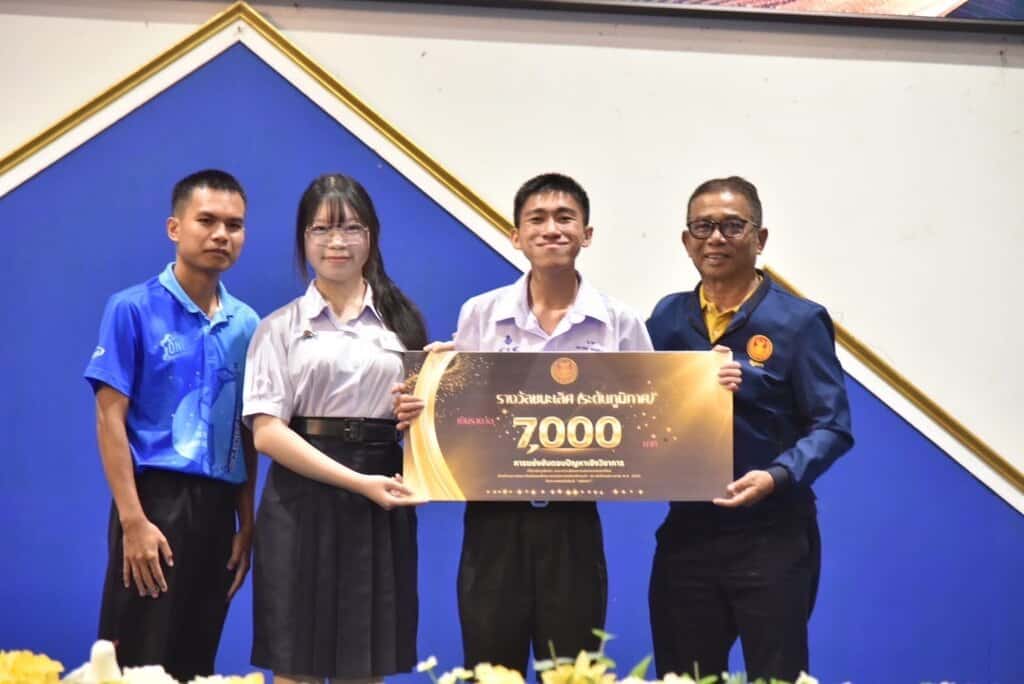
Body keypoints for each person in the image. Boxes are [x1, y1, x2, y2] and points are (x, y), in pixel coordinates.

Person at [396, 172, 740, 676]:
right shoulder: (481, 314)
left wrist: (710, 388)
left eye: (565, 218)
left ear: (587, 234)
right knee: (488, 668)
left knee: (574, 670)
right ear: (516, 235)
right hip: (492, 522)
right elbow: (459, 417)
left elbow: (656, 413)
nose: (552, 229)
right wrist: (422, 398)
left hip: (573, 520)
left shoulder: (619, 322)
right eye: (537, 219)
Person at [646, 176, 854, 682]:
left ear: (759, 239)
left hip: (773, 534)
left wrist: (777, 475)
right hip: (687, 534)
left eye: (732, 226)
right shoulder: (667, 317)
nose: (716, 238)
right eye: (703, 227)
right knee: (684, 676)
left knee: (777, 675)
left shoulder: (799, 321)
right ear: (686, 241)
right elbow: (636, 405)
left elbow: (832, 426)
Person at [243, 174, 426, 684]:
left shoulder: (402, 324)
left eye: (351, 228)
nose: (337, 242)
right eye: (321, 229)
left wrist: (429, 405)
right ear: (304, 239)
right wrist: (357, 482)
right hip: (299, 501)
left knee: (363, 666)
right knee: (296, 664)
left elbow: (424, 427)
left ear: (372, 236)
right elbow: (267, 434)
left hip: (380, 502)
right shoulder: (277, 328)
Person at [84, 169, 260, 681]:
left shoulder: (248, 324)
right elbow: (109, 418)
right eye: (207, 221)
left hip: (218, 512)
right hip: (153, 506)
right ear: (174, 228)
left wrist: (246, 525)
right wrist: (133, 521)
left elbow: (247, 432)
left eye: (234, 225)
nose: (221, 235)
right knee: (136, 661)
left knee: (195, 661)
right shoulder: (131, 309)